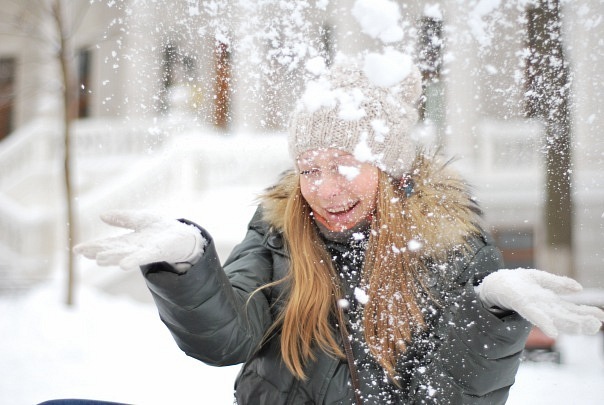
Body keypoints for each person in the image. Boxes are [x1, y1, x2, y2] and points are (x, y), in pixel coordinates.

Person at [75, 59, 604, 404]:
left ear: (390, 166)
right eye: (310, 169)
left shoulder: (452, 247)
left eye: (345, 164)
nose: (325, 189)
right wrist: (189, 263)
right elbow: (227, 337)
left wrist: (492, 311)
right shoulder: (280, 231)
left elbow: (452, 398)